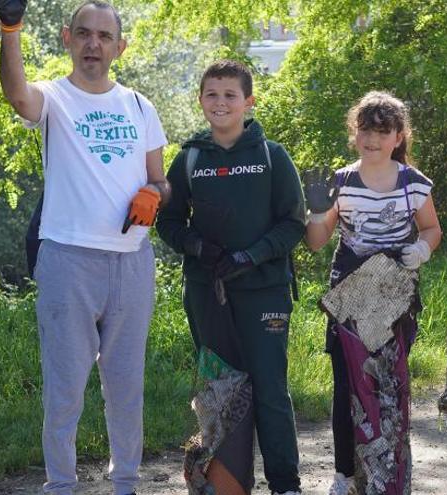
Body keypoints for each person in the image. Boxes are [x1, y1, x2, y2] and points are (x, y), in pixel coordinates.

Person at [0, 0, 169, 493]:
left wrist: (156, 193)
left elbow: (160, 180)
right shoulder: (53, 97)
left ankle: (126, 483)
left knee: (125, 386)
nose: (94, 44)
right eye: (85, 34)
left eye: (104, 36)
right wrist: (11, 28)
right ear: (68, 38)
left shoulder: (139, 105)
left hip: (132, 262)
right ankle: (61, 485)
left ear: (120, 47)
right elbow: (15, 94)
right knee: (65, 388)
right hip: (68, 259)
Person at [156, 60, 305, 495]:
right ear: (201, 100)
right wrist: (198, 247)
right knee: (218, 390)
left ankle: (285, 484)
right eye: (212, 94)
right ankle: (225, 484)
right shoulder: (189, 159)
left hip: (265, 293)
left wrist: (251, 255)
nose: (220, 103)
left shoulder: (270, 155)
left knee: (270, 391)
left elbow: (293, 222)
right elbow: (167, 221)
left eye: (230, 95)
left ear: (248, 102)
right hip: (207, 293)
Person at [303, 91, 442, 495]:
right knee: (347, 384)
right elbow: (316, 242)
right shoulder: (341, 181)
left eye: (383, 131)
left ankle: (389, 470)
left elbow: (432, 229)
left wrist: (421, 249)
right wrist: (313, 212)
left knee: (389, 385)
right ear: (355, 132)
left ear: (399, 136)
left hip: (394, 293)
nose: (373, 139)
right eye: (366, 129)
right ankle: (345, 474)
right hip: (349, 292)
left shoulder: (413, 183)